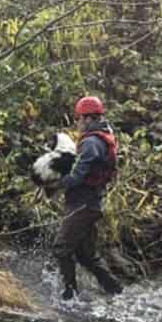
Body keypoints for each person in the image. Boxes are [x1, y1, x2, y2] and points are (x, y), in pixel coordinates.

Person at [53, 95, 124, 300]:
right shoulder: (101, 136)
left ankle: (69, 298)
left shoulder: (91, 142)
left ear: (88, 119)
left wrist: (54, 183)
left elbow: (76, 176)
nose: (77, 123)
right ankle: (117, 292)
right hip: (91, 204)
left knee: (62, 248)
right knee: (85, 255)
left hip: (83, 206)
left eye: (79, 119)